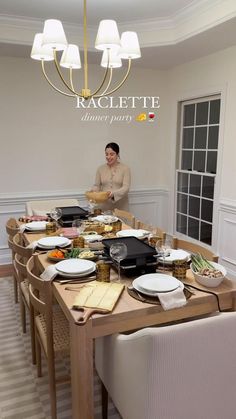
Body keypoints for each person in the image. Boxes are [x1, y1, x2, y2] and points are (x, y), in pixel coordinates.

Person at [91, 142, 131, 211]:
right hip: (104, 207)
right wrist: (93, 190)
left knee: (121, 221)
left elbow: (126, 188)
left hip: (121, 207)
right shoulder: (100, 169)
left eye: (111, 154)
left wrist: (113, 194)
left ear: (117, 154)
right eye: (106, 154)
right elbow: (97, 185)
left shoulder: (125, 169)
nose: (108, 157)